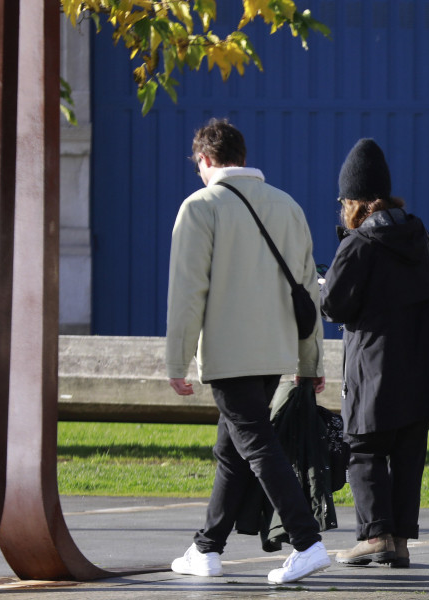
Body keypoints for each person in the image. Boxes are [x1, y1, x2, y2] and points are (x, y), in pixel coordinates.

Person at [166, 118, 330, 584]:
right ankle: (206, 547)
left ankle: (307, 541)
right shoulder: (287, 205)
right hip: (275, 351)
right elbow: (307, 292)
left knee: (255, 444)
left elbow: (188, 292)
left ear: (204, 160)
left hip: (228, 352)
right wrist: (310, 362)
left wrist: (177, 361)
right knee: (233, 448)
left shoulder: (200, 207)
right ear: (241, 154)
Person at [319, 138, 429, 569]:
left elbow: (333, 306)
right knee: (407, 453)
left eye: (344, 199)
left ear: (355, 201)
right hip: (420, 368)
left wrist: (323, 286)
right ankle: (398, 540)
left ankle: (374, 536)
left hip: (374, 370)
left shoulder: (359, 245)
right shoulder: (417, 236)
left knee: (364, 449)